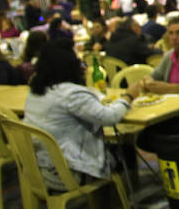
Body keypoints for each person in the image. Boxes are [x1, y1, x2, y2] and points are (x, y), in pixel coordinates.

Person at [23, 39, 141, 195]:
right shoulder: (71, 94)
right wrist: (128, 96)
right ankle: (124, 204)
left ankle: (108, 204)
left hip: (39, 166)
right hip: (69, 172)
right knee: (126, 151)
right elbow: (110, 117)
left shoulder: (36, 91)